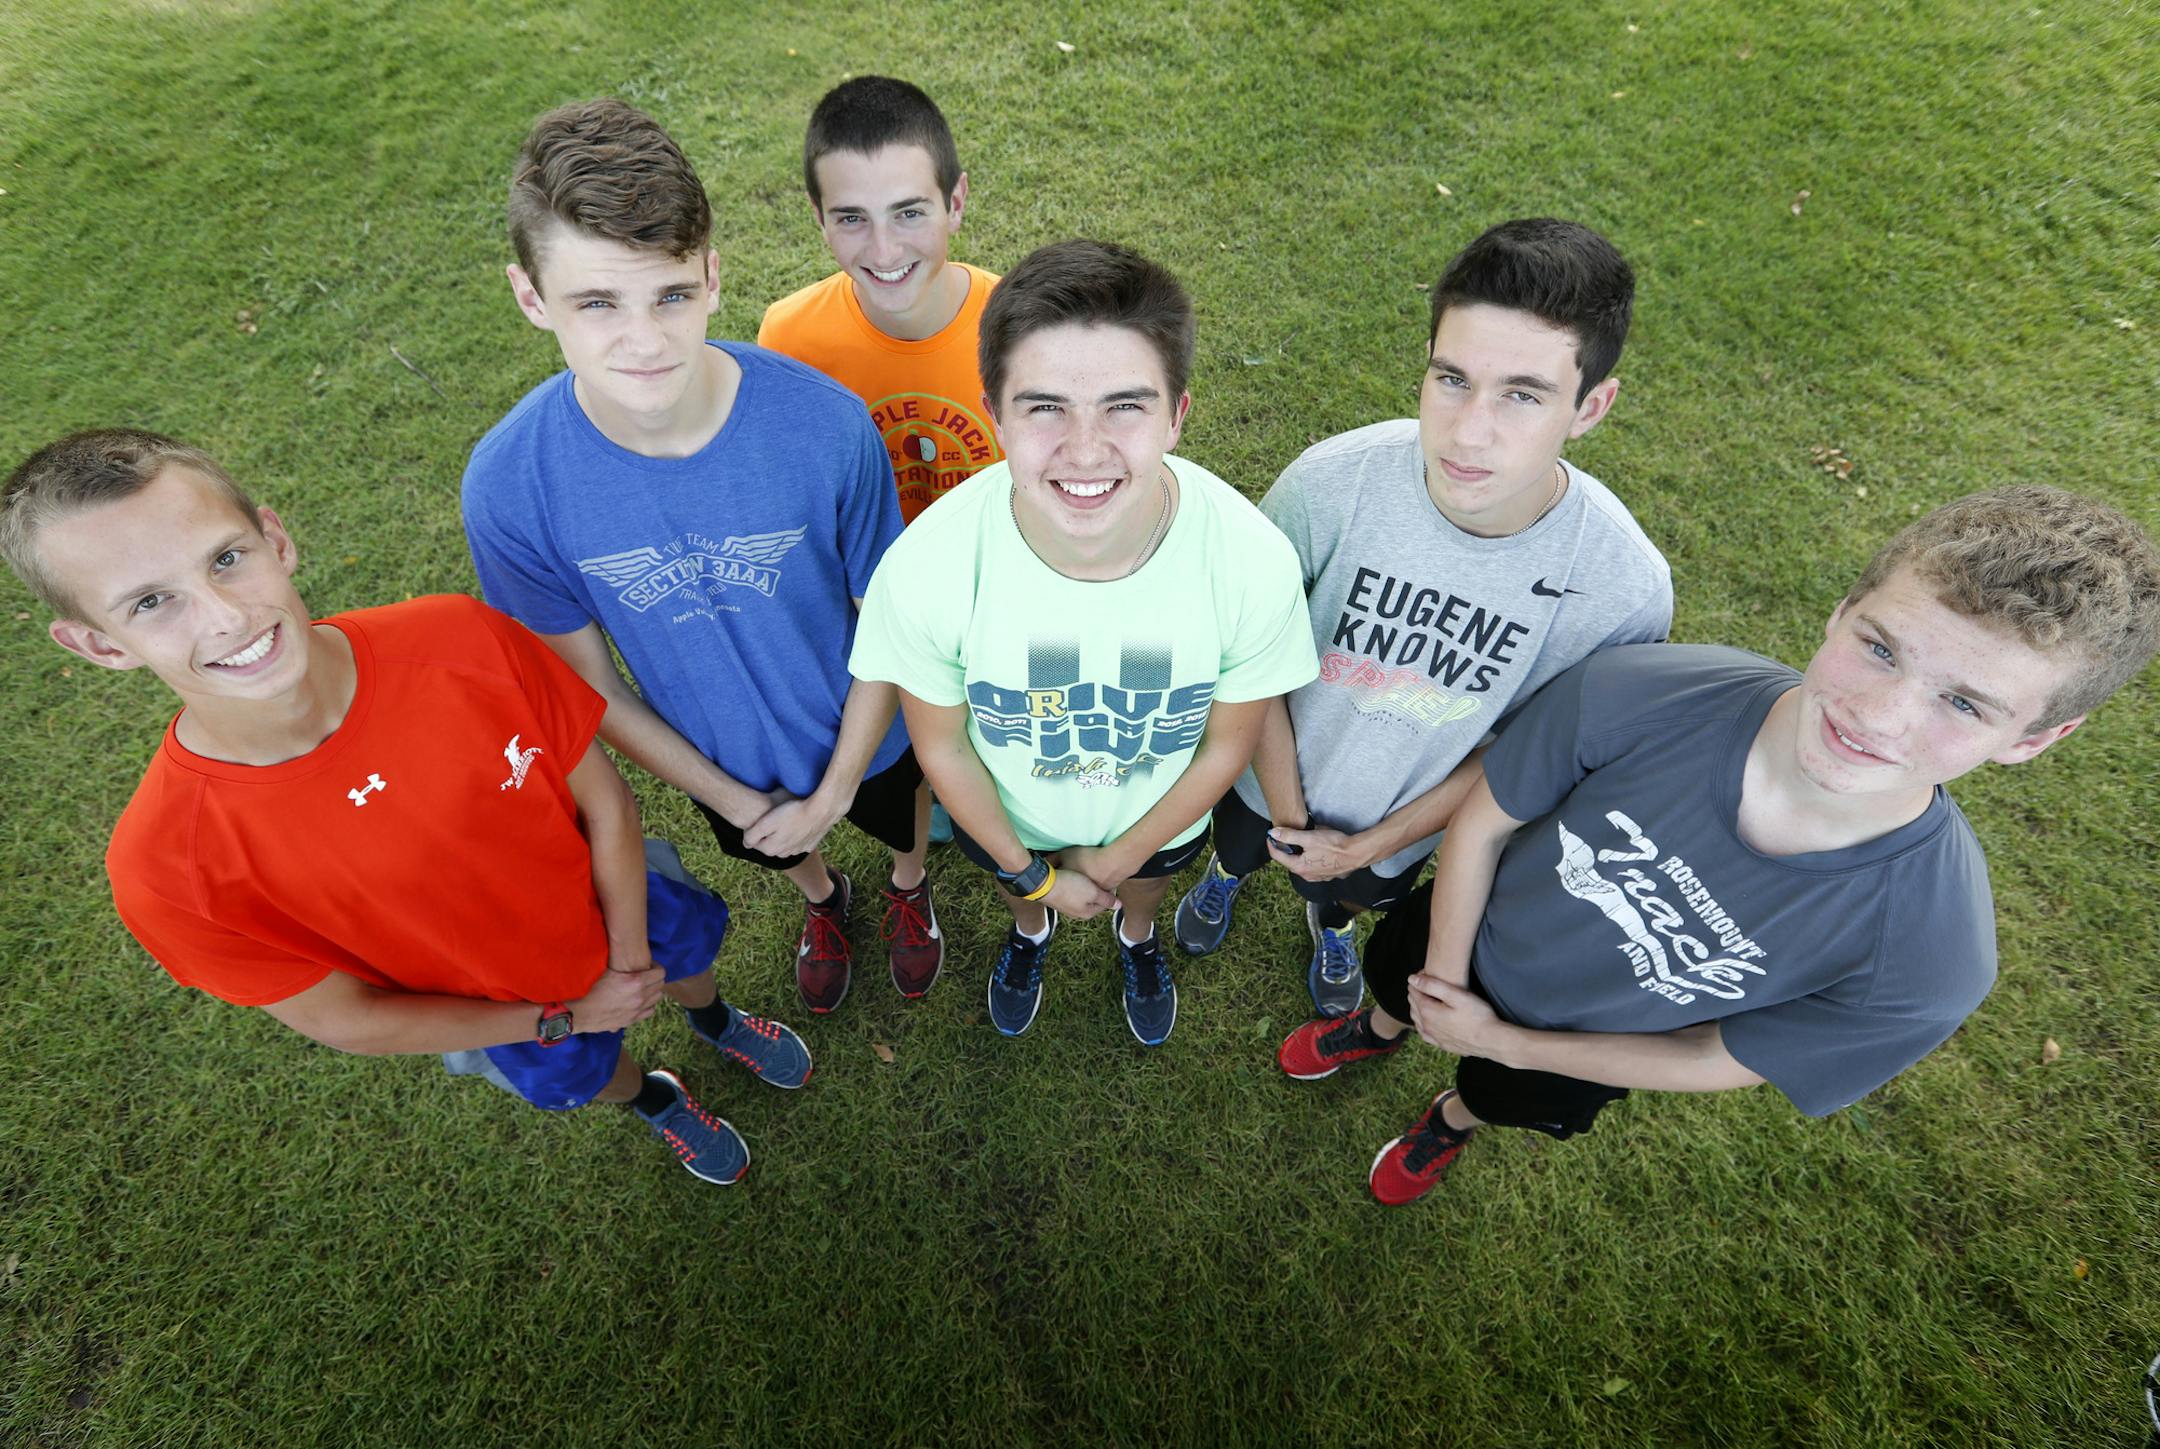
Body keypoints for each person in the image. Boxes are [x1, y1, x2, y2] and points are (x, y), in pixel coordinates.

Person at [1271, 485, 2160, 1206]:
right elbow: (1488, 819)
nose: (1880, 717)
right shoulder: (1639, 691)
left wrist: (1510, 1047)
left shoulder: (1933, 958)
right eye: (1881, 647)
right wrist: (1443, 983)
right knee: (1396, 982)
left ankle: (1453, 1118)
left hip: (1576, 1050)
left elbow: (1718, 1055)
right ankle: (1377, 1025)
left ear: (2035, 738)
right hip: (1456, 930)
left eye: (1964, 703)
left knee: (1499, 1095)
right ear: (1841, 610)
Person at [3, 429, 813, 1187]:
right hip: (510, 1017)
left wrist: (630, 959)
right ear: (99, 645)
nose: (224, 616)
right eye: (150, 602)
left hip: (626, 904)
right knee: (594, 1069)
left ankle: (714, 1018)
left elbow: (604, 804)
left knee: (685, 959)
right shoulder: (164, 868)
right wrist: (561, 1016)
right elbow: (349, 1020)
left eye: (225, 557)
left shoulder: (459, 638)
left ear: (276, 540)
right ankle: (656, 1098)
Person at [462, 97, 940, 1016]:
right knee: (779, 846)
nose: (643, 341)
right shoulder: (509, 486)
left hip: (870, 732)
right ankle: (825, 899)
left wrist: (840, 782)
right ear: (531, 297)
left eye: (671, 295)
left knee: (897, 816)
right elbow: (582, 686)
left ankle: (909, 885)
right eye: (596, 303)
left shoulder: (825, 423)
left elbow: (894, 617)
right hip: (714, 759)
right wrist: (735, 796)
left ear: (713, 277)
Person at [1172, 218, 1671, 1019]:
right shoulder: (1329, 484)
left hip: (1407, 829)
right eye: (1452, 379)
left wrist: (1368, 847)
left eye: (1523, 394)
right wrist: (1292, 813)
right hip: (1259, 778)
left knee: (1349, 897)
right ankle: (1222, 883)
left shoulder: (1623, 590)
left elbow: (1528, 756)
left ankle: (1328, 925)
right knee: (1235, 847)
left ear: (1591, 406)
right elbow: (1247, 649)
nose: (1471, 431)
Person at [849, 239, 1318, 1046]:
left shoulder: (1250, 560)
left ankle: (1137, 939)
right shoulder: (926, 568)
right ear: (993, 412)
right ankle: (1029, 933)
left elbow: (1223, 748)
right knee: (1025, 904)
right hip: (1008, 821)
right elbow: (946, 752)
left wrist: (1107, 865)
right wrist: (1033, 877)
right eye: (1045, 407)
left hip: (1158, 823)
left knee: (1140, 897)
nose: (1086, 449)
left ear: (1178, 414)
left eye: (1125, 405)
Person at [757, 75, 1004, 847]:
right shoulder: (790, 335)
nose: (886, 249)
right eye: (852, 220)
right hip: (867, 604)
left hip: (991, 594)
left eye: (909, 212)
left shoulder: (1018, 327)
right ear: (819, 222)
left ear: (956, 201)